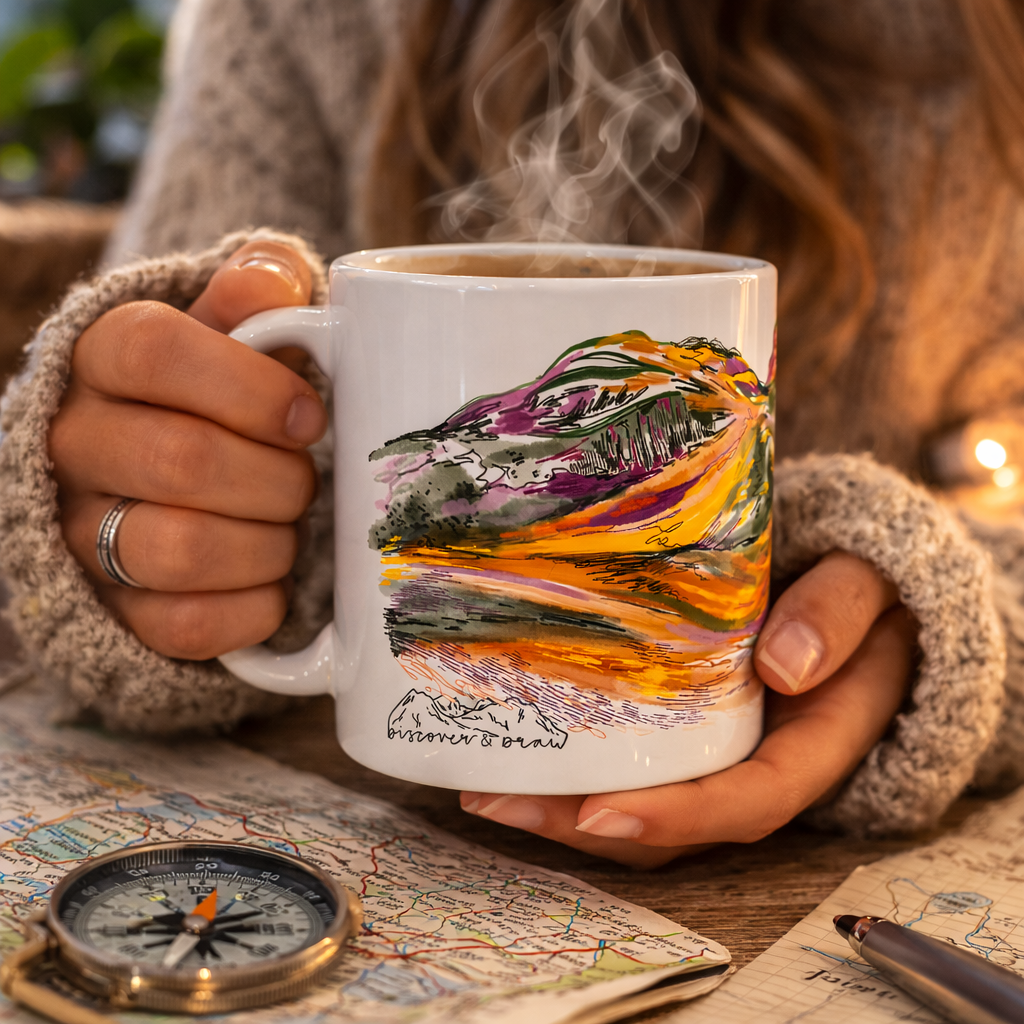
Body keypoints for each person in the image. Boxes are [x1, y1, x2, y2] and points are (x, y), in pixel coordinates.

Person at [0, 0, 1018, 868]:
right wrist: (113, 523)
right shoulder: (308, 16)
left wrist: (954, 630)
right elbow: (118, 461)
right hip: (382, 844)